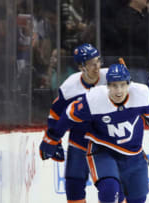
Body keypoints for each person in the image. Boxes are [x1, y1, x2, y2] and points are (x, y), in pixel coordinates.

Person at [40, 63, 149, 203]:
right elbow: (69, 115)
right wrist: (52, 137)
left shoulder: (143, 95)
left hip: (133, 153)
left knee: (137, 199)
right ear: (107, 85)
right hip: (102, 148)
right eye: (114, 85)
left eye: (122, 85)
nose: (119, 90)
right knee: (109, 189)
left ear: (129, 84)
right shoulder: (94, 99)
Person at [39, 43, 107, 203]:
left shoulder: (110, 78)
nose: (96, 67)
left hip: (106, 141)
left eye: (98, 61)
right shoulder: (70, 87)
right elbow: (55, 114)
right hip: (80, 139)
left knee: (111, 185)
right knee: (73, 184)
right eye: (91, 63)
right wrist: (53, 139)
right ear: (81, 67)